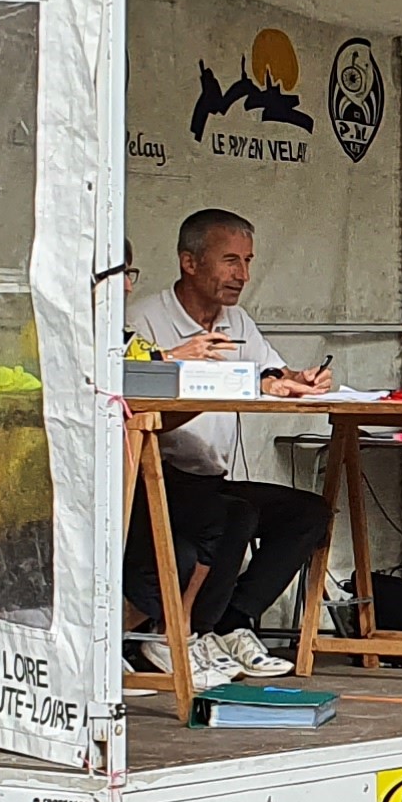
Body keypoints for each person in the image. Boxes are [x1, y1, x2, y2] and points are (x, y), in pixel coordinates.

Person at [121, 209, 328, 685]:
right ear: (189, 263)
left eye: (249, 261)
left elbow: (270, 370)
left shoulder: (236, 319)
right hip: (156, 474)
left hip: (209, 476)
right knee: (233, 516)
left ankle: (231, 624)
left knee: (308, 513)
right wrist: (175, 363)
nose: (242, 275)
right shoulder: (144, 319)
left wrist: (296, 380)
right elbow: (130, 397)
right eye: (230, 260)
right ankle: (183, 631)